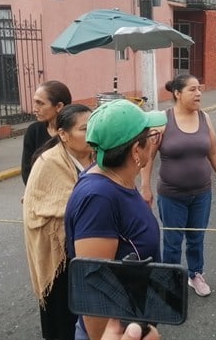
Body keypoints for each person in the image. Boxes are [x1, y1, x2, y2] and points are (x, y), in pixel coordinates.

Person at [64, 99, 167, 340]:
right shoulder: (99, 198)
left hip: (133, 322)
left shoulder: (116, 180)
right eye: (150, 136)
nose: (154, 143)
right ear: (135, 151)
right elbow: (94, 288)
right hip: (117, 333)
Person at [141, 74, 216, 297]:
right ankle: (170, 277)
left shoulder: (205, 118)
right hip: (171, 194)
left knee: (196, 237)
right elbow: (148, 157)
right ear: (177, 94)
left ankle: (195, 274)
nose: (198, 93)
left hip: (201, 193)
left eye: (199, 88)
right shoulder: (163, 120)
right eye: (192, 89)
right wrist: (145, 187)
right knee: (172, 240)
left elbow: (214, 151)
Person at [22, 104, 94, 340]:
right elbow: (49, 207)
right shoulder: (49, 162)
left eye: (94, 127)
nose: (91, 133)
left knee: (88, 312)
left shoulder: (96, 156)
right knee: (62, 315)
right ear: (63, 134)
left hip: (85, 248)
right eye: (84, 129)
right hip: (58, 256)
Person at [21, 80, 72, 184]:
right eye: (35, 102)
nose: (34, 109)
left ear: (58, 106)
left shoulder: (73, 131)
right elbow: (27, 170)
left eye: (40, 103)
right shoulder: (34, 131)